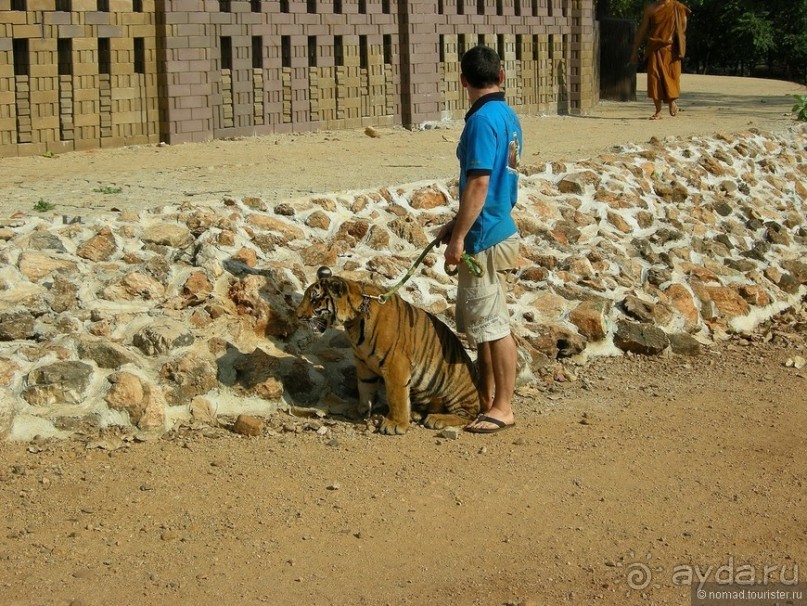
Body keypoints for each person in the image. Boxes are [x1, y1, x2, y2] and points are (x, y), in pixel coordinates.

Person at [436, 45, 522, 434]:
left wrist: (459, 239)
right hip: (497, 226)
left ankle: (503, 407)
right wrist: (455, 224)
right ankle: (487, 400)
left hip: (485, 235)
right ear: (501, 76)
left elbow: (480, 183)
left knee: (493, 324)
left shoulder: (482, 121)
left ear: (463, 81)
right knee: (484, 326)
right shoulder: (507, 115)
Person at [629, 0, 692, 120]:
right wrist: (635, 50)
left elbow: (683, 26)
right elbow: (643, 29)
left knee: (671, 78)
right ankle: (658, 111)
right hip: (654, 47)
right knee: (654, 78)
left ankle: (672, 101)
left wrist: (678, 41)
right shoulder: (651, 8)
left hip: (671, 49)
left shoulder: (677, 7)